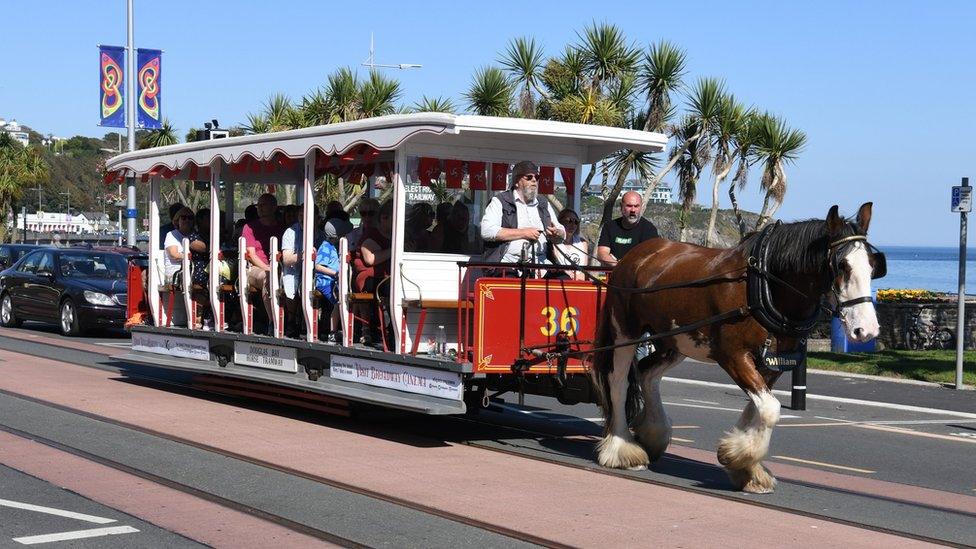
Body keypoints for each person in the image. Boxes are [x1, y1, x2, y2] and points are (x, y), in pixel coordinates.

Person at [480, 160, 565, 274]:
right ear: (516, 181)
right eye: (529, 177)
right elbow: (486, 231)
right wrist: (524, 233)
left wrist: (557, 234)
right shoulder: (500, 201)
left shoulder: (544, 204)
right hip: (507, 265)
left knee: (565, 282)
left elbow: (561, 232)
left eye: (537, 177)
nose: (534, 180)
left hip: (542, 265)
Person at [241, 193, 284, 326]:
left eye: (263, 205)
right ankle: (273, 322)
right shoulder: (249, 228)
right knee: (268, 277)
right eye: (258, 205)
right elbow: (252, 255)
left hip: (280, 268)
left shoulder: (282, 228)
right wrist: (268, 269)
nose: (259, 208)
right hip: (255, 269)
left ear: (274, 207)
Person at [280, 206, 323, 338]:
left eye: (306, 215)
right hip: (294, 270)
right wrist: (303, 255)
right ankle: (292, 320)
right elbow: (286, 259)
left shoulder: (321, 234)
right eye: (300, 215)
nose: (302, 219)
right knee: (293, 283)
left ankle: (320, 323)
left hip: (317, 271)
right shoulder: (290, 232)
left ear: (317, 218)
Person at [596, 191, 660, 267]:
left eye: (636, 206)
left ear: (641, 207)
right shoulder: (610, 226)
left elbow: (649, 258)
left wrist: (625, 265)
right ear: (621, 206)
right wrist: (617, 265)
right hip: (613, 273)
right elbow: (601, 253)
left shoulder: (649, 229)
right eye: (629, 206)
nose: (633, 210)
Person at [356, 200, 393, 293]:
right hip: (372, 281)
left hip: (388, 278)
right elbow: (369, 259)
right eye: (363, 213)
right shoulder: (371, 235)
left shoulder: (396, 236)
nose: (367, 217)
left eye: (371, 213)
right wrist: (395, 251)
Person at [315, 220, 343, 343]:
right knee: (338, 302)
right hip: (325, 282)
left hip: (333, 282)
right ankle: (333, 332)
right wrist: (335, 273)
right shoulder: (325, 247)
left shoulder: (333, 247)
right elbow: (318, 266)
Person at [552, 208, 590, 281]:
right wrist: (570, 275)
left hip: (580, 280)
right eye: (569, 221)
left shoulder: (582, 243)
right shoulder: (554, 242)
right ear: (560, 222)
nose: (573, 225)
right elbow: (558, 263)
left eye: (576, 222)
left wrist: (579, 276)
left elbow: (584, 268)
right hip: (561, 279)